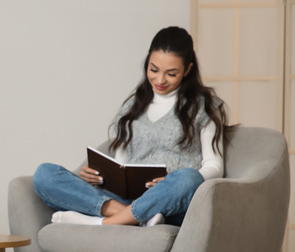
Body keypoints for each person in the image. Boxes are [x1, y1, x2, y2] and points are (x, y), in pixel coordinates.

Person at [33, 26, 229, 227]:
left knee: (189, 178)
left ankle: (103, 223)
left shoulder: (205, 107)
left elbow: (214, 167)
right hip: (126, 197)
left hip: (170, 201)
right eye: (153, 69)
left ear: (187, 69)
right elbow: (121, 163)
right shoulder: (132, 106)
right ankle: (133, 216)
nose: (160, 80)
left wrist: (171, 180)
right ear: (147, 62)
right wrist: (99, 177)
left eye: (171, 73)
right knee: (44, 174)